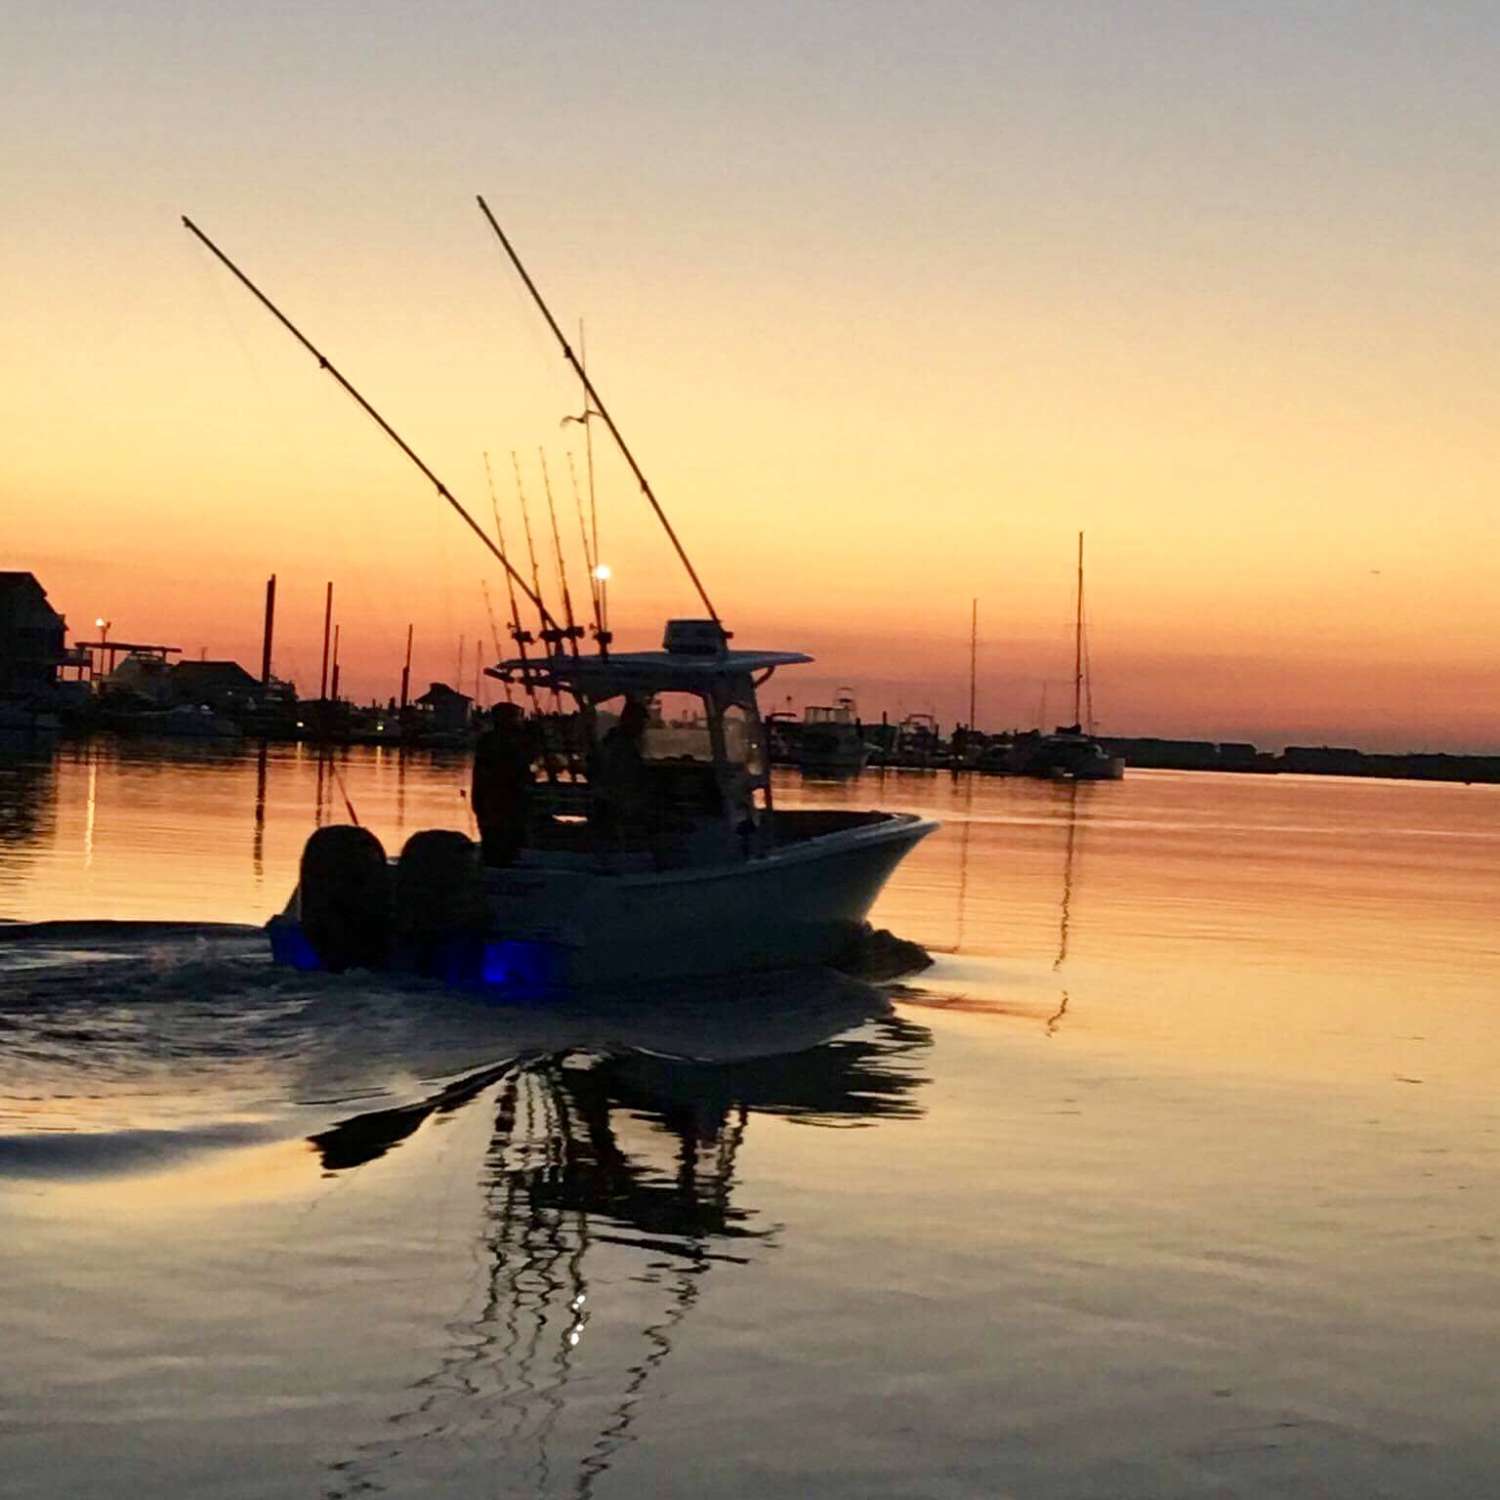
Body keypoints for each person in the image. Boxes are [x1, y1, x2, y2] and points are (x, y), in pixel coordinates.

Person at [471, 702, 534, 867]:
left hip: (493, 803)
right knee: (503, 842)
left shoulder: (489, 740)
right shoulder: (501, 742)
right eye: (515, 716)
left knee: (496, 843)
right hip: (501, 804)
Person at [591, 697, 652, 845]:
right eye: (640, 722)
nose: (642, 727)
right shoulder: (620, 747)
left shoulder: (614, 742)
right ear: (630, 720)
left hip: (611, 802)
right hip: (616, 805)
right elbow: (622, 780)